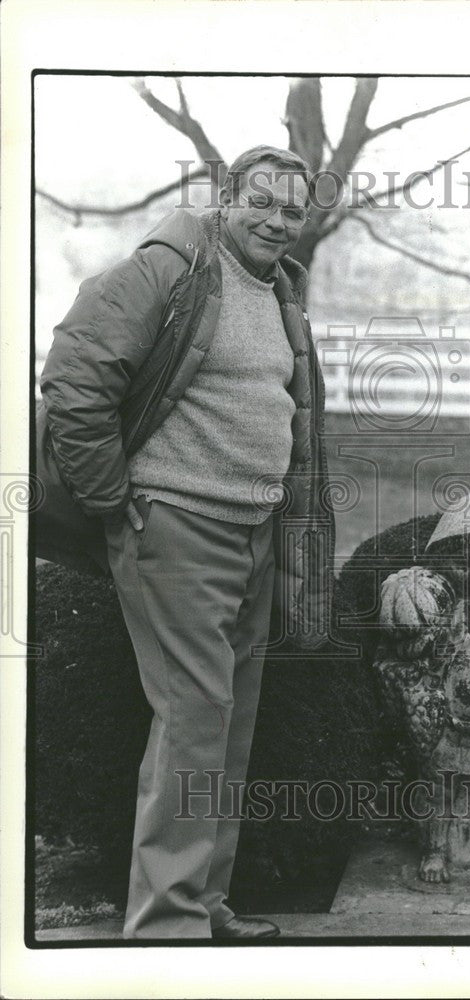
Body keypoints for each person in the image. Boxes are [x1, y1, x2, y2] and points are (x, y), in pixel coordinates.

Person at [39, 145, 335, 940]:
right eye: (262, 201)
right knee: (195, 719)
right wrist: (113, 502)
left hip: (255, 529)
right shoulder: (168, 266)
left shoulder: (281, 291)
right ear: (226, 196)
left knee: (227, 725)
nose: (277, 220)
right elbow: (73, 378)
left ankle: (204, 904)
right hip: (175, 527)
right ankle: (165, 927)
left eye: (292, 210)